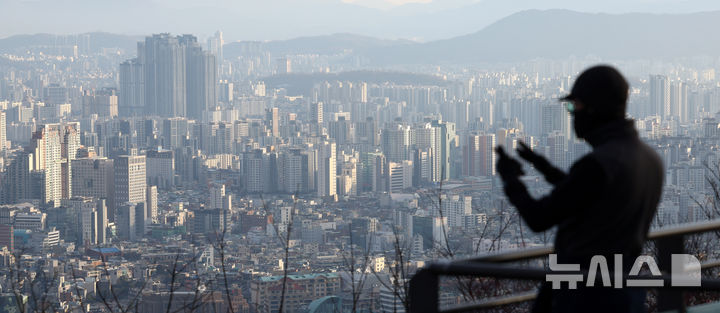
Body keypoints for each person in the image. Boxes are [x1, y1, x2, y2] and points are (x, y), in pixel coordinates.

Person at [495, 65, 664, 313]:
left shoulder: (598, 164)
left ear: (594, 108)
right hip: (627, 288)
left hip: (585, 295)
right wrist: (542, 166)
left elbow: (539, 218)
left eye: (574, 106)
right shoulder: (649, 158)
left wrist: (511, 180)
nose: (572, 114)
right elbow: (591, 197)